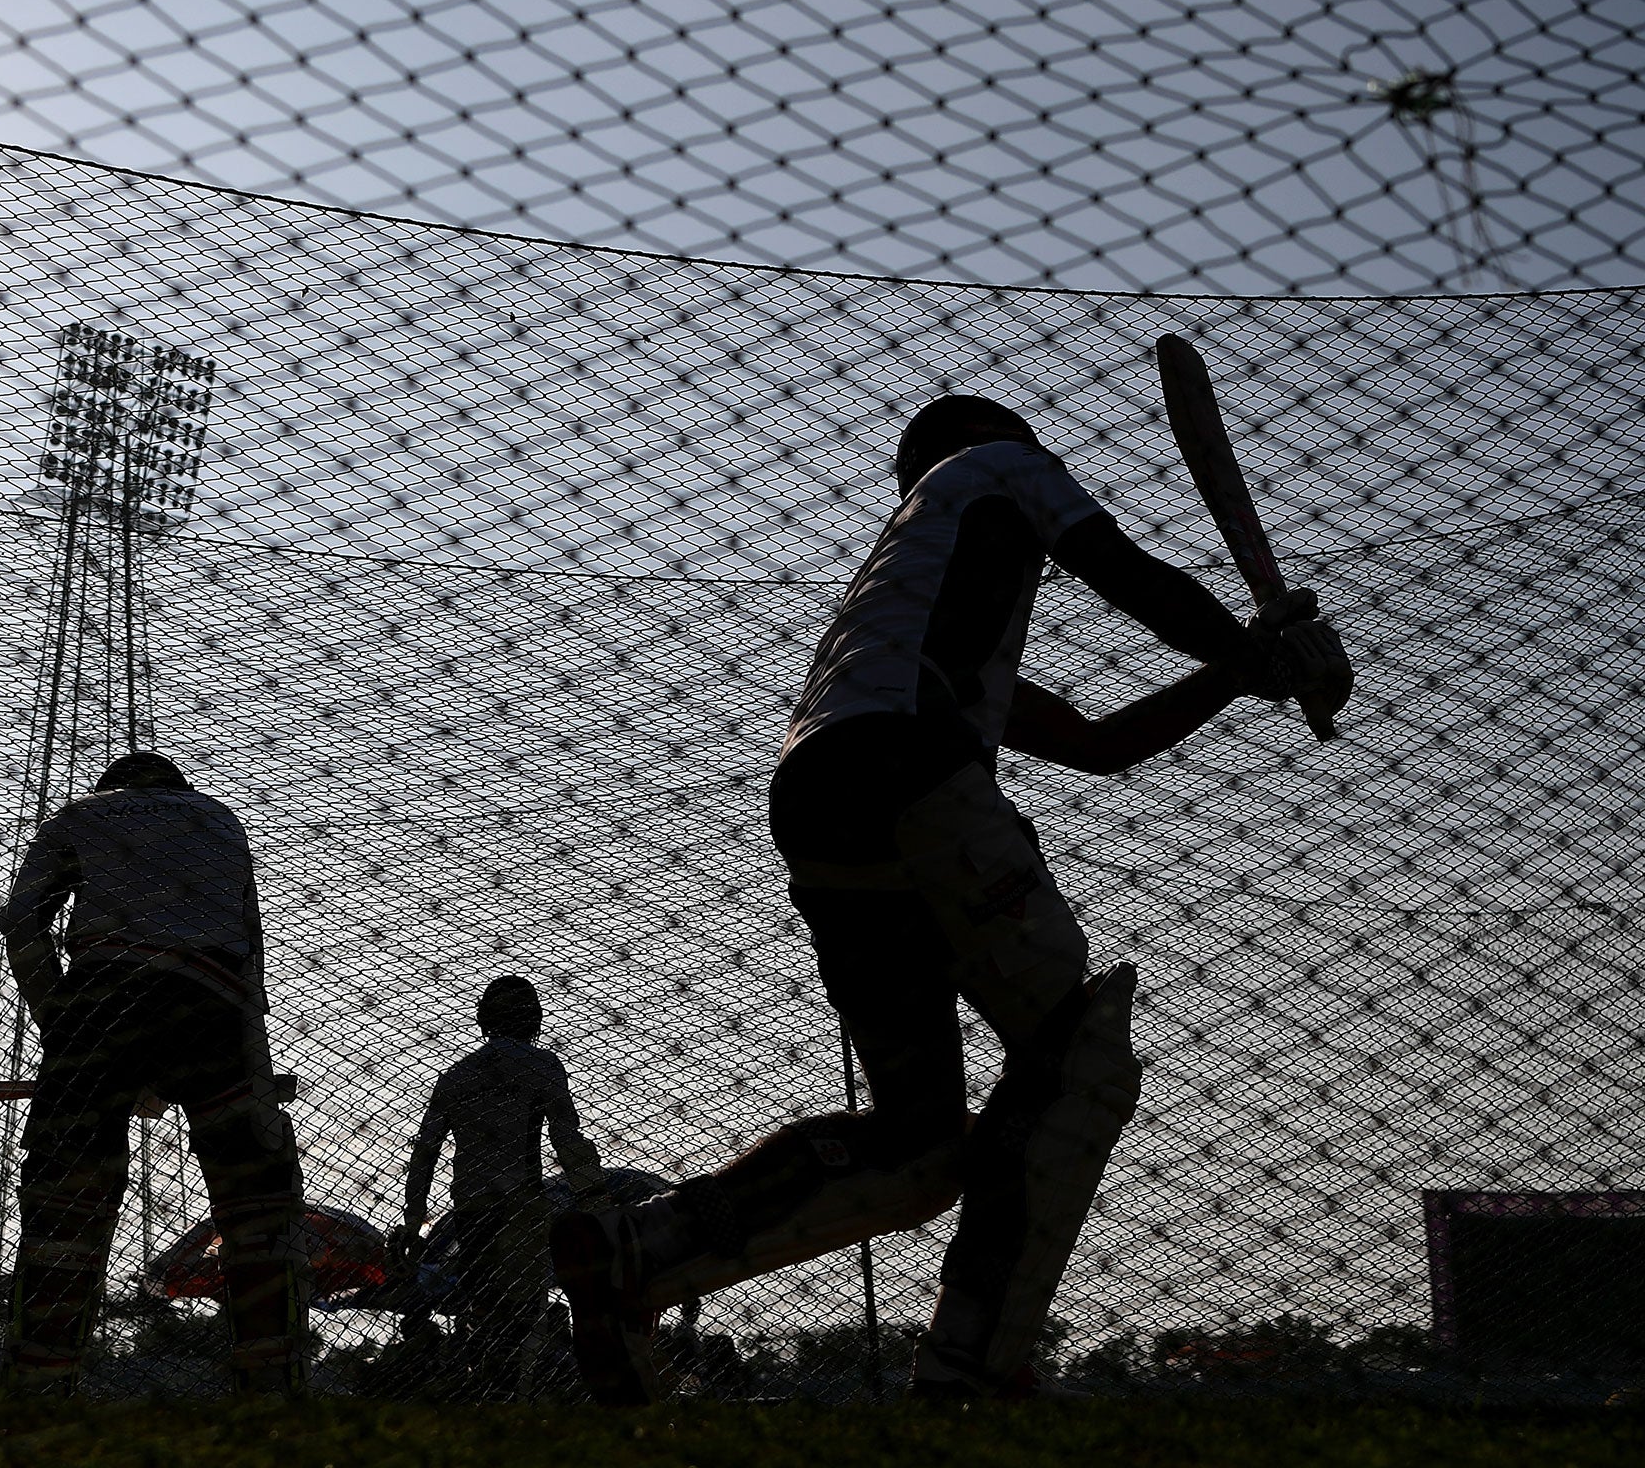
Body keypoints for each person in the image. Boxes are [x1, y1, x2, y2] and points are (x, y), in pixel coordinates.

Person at [551, 394, 1351, 1404]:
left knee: (921, 1142)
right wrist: (1251, 649)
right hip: (911, 767)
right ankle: (974, 1360)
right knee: (1077, 1057)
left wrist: (1240, 675)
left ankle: (640, 1250)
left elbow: (1096, 747)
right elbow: (1128, 575)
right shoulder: (992, 466)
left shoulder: (905, 620)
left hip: (824, 799)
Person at [0, 750, 308, 1396]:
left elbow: (21, 918)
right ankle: (273, 1382)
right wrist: (256, 1083)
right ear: (177, 786)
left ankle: (41, 1385)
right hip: (212, 1004)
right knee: (254, 1200)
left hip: (104, 998)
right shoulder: (221, 821)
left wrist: (62, 1026)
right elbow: (253, 963)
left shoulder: (80, 817)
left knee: (68, 1195)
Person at [397, 976, 611, 1399]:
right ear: (534, 1018)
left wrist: (413, 1219)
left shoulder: (457, 1076)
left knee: (484, 1308)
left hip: (473, 1206)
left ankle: (487, 1388)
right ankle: (516, 1394)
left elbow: (425, 1151)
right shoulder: (542, 1065)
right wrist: (594, 1199)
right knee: (524, 1311)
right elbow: (567, 1140)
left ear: (483, 1019)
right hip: (522, 1201)